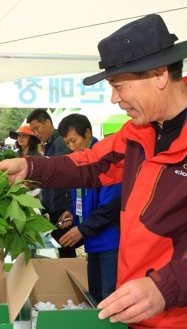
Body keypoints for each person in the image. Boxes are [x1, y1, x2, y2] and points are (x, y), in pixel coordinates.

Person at [0, 14, 187, 328]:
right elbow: (90, 164)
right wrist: (30, 165)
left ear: (160, 74)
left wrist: (165, 287)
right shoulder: (140, 131)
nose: (114, 98)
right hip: (138, 311)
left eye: (119, 86)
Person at [57, 113, 121, 304]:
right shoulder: (84, 163)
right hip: (93, 242)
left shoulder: (106, 162)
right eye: (67, 143)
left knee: (110, 298)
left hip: (110, 242)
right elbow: (82, 197)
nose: (71, 147)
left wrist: (81, 229)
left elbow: (109, 207)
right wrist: (73, 215)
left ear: (88, 133)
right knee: (95, 296)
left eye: (73, 140)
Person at [27, 108, 74, 258]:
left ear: (48, 122)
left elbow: (59, 171)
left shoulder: (59, 142)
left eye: (37, 128)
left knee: (65, 246)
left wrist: (36, 181)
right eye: (33, 130)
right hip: (54, 204)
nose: (36, 133)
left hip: (61, 205)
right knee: (61, 246)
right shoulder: (48, 144)